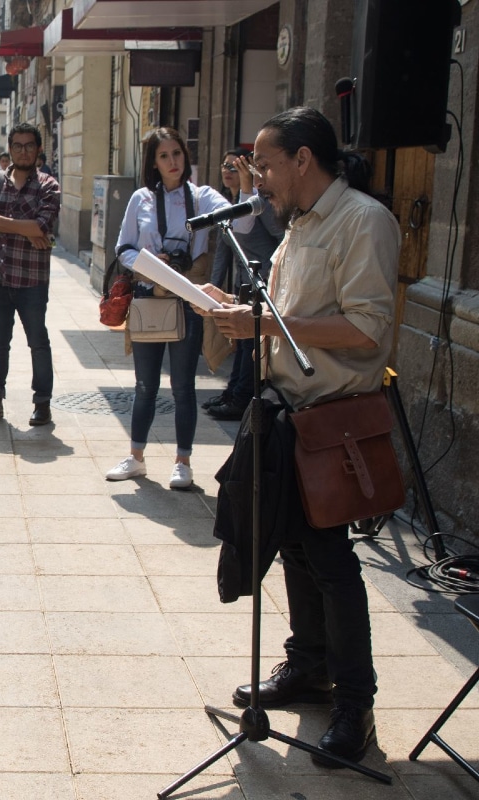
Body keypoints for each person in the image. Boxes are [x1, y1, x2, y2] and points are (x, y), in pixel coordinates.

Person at [199, 106, 399, 768]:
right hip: (288, 414)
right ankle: (308, 669)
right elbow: (281, 320)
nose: (259, 178)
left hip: (333, 418)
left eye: (266, 164)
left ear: (303, 160)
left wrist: (271, 323)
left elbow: (368, 331)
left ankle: (354, 705)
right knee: (294, 546)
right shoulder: (297, 229)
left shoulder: (363, 222)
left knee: (331, 560)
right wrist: (234, 316)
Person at [103, 127, 232, 489]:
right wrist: (149, 263)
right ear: (153, 163)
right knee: (144, 384)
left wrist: (248, 190)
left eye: (177, 153)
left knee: (183, 386)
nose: (173, 161)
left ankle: (183, 461)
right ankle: (136, 457)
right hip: (148, 298)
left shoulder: (203, 197)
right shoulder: (140, 199)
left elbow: (242, 220)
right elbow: (123, 248)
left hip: (187, 301)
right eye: (164, 156)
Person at [0, 123, 61, 428]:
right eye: (18, 145)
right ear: (10, 149)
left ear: (38, 150)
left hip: (32, 281)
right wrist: (29, 229)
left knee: (38, 342)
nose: (23, 150)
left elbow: (42, 226)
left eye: (29, 145)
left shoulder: (49, 185)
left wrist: (8, 223)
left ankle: (42, 405)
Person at [204, 148, 284, 421]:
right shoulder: (229, 204)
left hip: (263, 280)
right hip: (241, 284)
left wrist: (252, 193)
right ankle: (232, 392)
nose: (228, 171)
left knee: (253, 343)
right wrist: (212, 287)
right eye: (225, 165)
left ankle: (241, 398)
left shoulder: (264, 201)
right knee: (240, 343)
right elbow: (223, 252)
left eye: (235, 166)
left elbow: (277, 233)